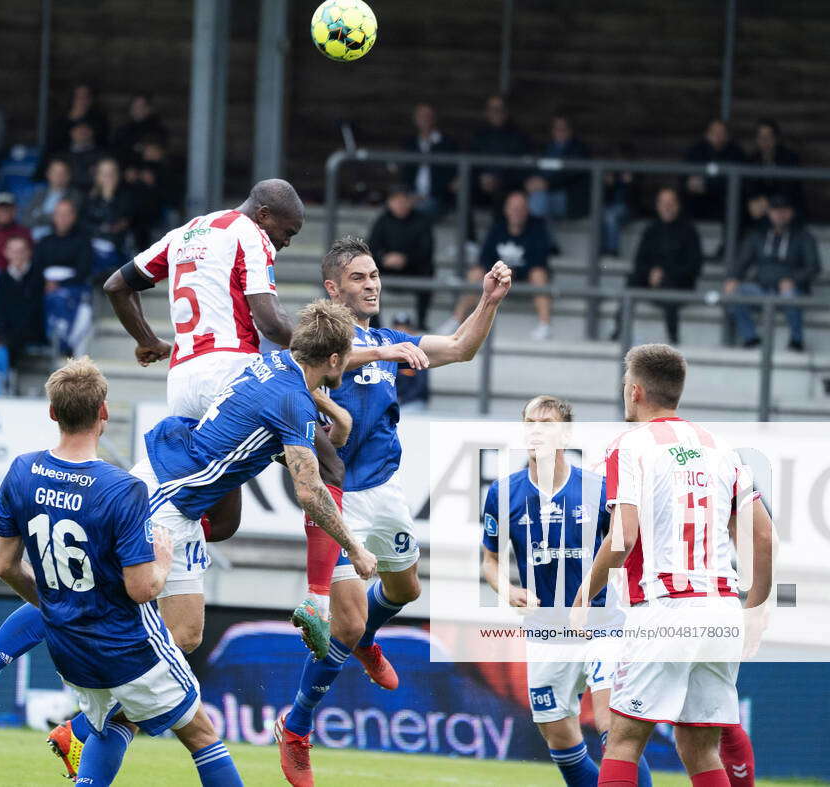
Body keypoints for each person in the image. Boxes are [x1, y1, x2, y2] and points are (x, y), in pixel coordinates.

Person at [0, 306, 374, 781]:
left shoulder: (275, 363)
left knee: (183, 634)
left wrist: (334, 413)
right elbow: (308, 489)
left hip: (175, 487)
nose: (346, 367)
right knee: (123, 620)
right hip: (169, 498)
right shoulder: (292, 400)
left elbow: (294, 411)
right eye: (346, 359)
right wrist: (355, 548)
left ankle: (61, 719)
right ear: (332, 358)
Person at [0, 357, 245, 786]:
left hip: (70, 652)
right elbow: (141, 589)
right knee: (203, 736)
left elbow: (4, 566)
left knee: (109, 723)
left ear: (53, 413)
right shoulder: (123, 489)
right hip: (124, 647)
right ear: (104, 413)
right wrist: (163, 563)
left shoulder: (21, 471)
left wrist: (58, 605)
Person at [276, 238, 513, 787]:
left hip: (385, 490)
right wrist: (381, 353)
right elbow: (313, 362)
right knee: (350, 616)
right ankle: (296, 727)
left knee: (405, 591)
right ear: (334, 288)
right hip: (337, 496)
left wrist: (490, 302)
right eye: (360, 277)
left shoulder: (387, 338)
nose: (373, 284)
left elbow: (459, 347)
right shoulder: (320, 342)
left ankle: (360, 643)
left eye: (376, 275)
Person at [103, 179, 366, 659]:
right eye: (287, 231)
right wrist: (321, 354)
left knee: (222, 519)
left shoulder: (186, 232)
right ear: (264, 214)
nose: (286, 241)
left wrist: (147, 340)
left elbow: (117, 285)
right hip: (231, 372)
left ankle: (147, 555)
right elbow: (268, 322)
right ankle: (319, 597)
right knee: (326, 467)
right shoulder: (249, 232)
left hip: (182, 382)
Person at [573, 343, 773, 787]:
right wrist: (754, 610)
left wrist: (585, 593)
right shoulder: (721, 447)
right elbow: (762, 535)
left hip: (666, 608)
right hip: (721, 609)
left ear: (635, 391)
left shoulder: (629, 445)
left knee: (624, 738)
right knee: (700, 747)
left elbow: (622, 536)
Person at [480, 395, 653, 787]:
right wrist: (506, 589)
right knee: (559, 736)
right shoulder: (503, 493)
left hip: (602, 622)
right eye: (530, 423)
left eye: (547, 423)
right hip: (545, 629)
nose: (537, 430)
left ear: (566, 433)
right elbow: (489, 560)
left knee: (615, 731)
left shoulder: (598, 489)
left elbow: (627, 544)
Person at [726, 194, 821, 351]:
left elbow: (814, 267)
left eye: (784, 211)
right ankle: (751, 338)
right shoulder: (758, 235)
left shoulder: (804, 236)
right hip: (762, 289)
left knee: (791, 295)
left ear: (791, 213)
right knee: (735, 292)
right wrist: (733, 278)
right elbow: (742, 261)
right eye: (776, 211)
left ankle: (796, 341)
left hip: (791, 290)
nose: (780, 215)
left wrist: (793, 280)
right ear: (769, 213)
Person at [455, 190, 553, 339]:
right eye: (513, 208)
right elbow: (484, 257)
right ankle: (457, 320)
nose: (516, 212)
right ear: (506, 209)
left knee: (539, 274)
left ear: (527, 210)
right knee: (475, 273)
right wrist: (499, 272)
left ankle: (544, 325)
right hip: (499, 275)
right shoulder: (497, 228)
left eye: (520, 208)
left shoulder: (538, 229)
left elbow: (540, 260)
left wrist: (515, 272)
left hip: (526, 275)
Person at [617, 187, 703, 344]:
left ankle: (673, 338)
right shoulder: (651, 230)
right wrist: (650, 273)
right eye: (663, 203)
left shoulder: (689, 231)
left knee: (669, 287)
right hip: (651, 281)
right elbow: (639, 262)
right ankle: (618, 331)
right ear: (657, 206)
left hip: (679, 284)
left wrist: (665, 274)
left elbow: (694, 266)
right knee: (630, 281)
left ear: (678, 205)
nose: (667, 207)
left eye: (671, 203)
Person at [367, 184, 435, 329]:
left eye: (404, 201)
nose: (400, 205)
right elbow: (371, 247)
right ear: (389, 202)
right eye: (396, 201)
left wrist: (406, 259)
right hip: (385, 268)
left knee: (429, 273)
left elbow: (426, 250)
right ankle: (374, 323)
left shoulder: (422, 221)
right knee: (367, 278)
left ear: (410, 202)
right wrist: (384, 258)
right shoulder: (382, 221)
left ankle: (421, 321)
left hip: (415, 269)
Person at [525, 113, 591, 223]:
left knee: (539, 200)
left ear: (570, 130)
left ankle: (538, 238)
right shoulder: (547, 148)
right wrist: (530, 181)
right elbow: (535, 168)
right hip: (541, 192)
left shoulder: (578, 149)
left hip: (567, 198)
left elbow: (569, 174)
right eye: (556, 128)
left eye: (563, 128)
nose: (559, 131)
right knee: (523, 201)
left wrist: (547, 183)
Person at [0, 236, 45, 365]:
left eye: (21, 251)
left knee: (7, 342)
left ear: (29, 252)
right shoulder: (1, 279)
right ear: (6, 253)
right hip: (6, 332)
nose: (17, 255)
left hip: (31, 330)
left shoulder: (38, 277)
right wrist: (1, 333)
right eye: (13, 251)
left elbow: (35, 310)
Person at [469, 95, 531, 208]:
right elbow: (470, 163)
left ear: (506, 112)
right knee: (465, 191)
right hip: (481, 186)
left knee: (505, 197)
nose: (496, 113)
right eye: (492, 109)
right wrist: (481, 178)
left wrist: (500, 180)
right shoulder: (479, 136)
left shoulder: (519, 137)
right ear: (486, 112)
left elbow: (523, 169)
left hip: (507, 187)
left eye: (499, 109)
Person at [401, 103, 458, 219]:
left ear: (435, 118)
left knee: (415, 212)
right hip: (412, 195)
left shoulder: (447, 144)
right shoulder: (411, 144)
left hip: (436, 198)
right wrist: (408, 196)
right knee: (392, 208)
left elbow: (450, 179)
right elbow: (405, 174)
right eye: (421, 116)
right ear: (415, 120)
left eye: (428, 116)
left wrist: (425, 196)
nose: (425, 119)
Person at [682, 119, 745, 222]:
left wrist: (707, 184)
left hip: (724, 207)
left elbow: (735, 182)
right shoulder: (696, 151)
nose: (718, 136)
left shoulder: (736, 153)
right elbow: (686, 179)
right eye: (714, 132)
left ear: (727, 135)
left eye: (721, 133)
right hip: (699, 205)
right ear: (707, 134)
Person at [743, 118, 802, 224]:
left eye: (768, 137)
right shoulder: (752, 159)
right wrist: (754, 200)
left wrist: (768, 201)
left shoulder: (789, 158)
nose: (764, 141)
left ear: (776, 138)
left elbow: (790, 188)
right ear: (756, 139)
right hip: (759, 208)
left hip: (784, 205)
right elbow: (749, 187)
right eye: (761, 137)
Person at [83, 157, 134, 265]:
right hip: (89, 246)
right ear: (97, 177)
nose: (109, 178)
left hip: (116, 248)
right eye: (105, 174)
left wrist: (108, 199)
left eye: (112, 173)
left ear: (118, 176)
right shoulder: (89, 198)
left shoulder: (126, 196)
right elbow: (83, 224)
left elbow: (114, 224)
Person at [34, 199, 92, 290]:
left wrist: (59, 284)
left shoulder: (83, 242)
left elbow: (83, 272)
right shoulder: (44, 241)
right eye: (59, 214)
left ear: (74, 217)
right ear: (54, 217)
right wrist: (45, 283)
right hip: (44, 287)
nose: (62, 218)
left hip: (71, 288)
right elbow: (35, 268)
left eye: (66, 214)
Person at [22, 157, 85, 241]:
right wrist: (50, 217)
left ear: (68, 176)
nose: (58, 176)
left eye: (62, 173)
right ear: (48, 174)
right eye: (55, 172)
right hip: (32, 238)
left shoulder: (75, 196)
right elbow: (25, 219)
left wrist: (39, 215)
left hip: (59, 239)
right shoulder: (39, 194)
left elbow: (64, 222)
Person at [51, 82, 109, 152]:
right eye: (78, 97)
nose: (82, 100)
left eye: (86, 97)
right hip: (65, 158)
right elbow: (53, 147)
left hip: (92, 158)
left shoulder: (99, 121)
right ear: (72, 99)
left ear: (91, 100)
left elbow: (104, 146)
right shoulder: (59, 122)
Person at [112, 93, 167, 165]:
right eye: (135, 106)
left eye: (141, 106)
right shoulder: (122, 130)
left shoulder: (158, 131)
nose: (137, 109)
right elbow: (116, 151)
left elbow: (158, 155)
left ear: (149, 109)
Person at [391, 312, 429, 410]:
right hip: (391, 402)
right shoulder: (385, 351)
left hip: (412, 402)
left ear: (411, 331)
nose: (401, 331)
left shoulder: (419, 353)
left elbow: (420, 387)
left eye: (405, 328)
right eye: (397, 328)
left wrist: (401, 400)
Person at [62, 120, 103, 192]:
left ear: (91, 132)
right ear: (71, 133)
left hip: (94, 193)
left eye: (85, 130)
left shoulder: (101, 154)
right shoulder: (62, 154)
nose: (82, 133)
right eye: (78, 130)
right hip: (67, 193)